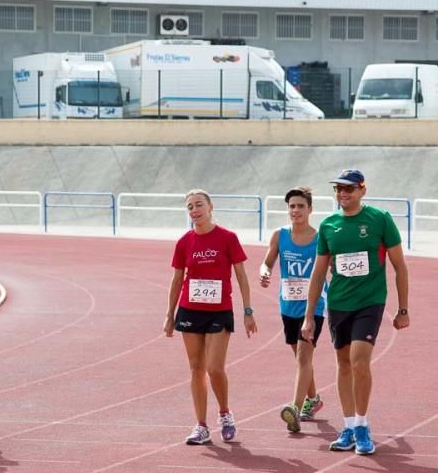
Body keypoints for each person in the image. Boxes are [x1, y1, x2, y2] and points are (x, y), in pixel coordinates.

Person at [302, 170, 410, 455]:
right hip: (338, 304)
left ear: (363, 190)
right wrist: (309, 315)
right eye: (338, 189)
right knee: (343, 364)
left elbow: (400, 266)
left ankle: (362, 425)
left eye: (349, 189)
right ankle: (348, 425)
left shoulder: (380, 219)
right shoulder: (328, 226)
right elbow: (318, 272)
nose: (343, 194)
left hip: (370, 301)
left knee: (359, 360)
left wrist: (403, 309)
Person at [164, 189, 258, 445]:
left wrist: (248, 311)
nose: (194, 211)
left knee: (215, 368)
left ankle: (225, 413)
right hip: (190, 309)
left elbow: (241, 276)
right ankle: (201, 425)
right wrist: (169, 315)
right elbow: (176, 280)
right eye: (190, 207)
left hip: (219, 311)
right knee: (196, 368)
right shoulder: (184, 242)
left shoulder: (227, 238)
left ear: (210, 206)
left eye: (198, 205)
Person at [259, 186, 326, 433]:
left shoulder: (321, 237)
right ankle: (314, 400)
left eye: (300, 206)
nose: (296, 210)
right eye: (292, 206)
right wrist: (264, 272)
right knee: (300, 357)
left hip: (314, 306)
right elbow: (267, 262)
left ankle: (295, 410)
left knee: (303, 357)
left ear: (310, 209)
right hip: (288, 305)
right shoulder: (280, 235)